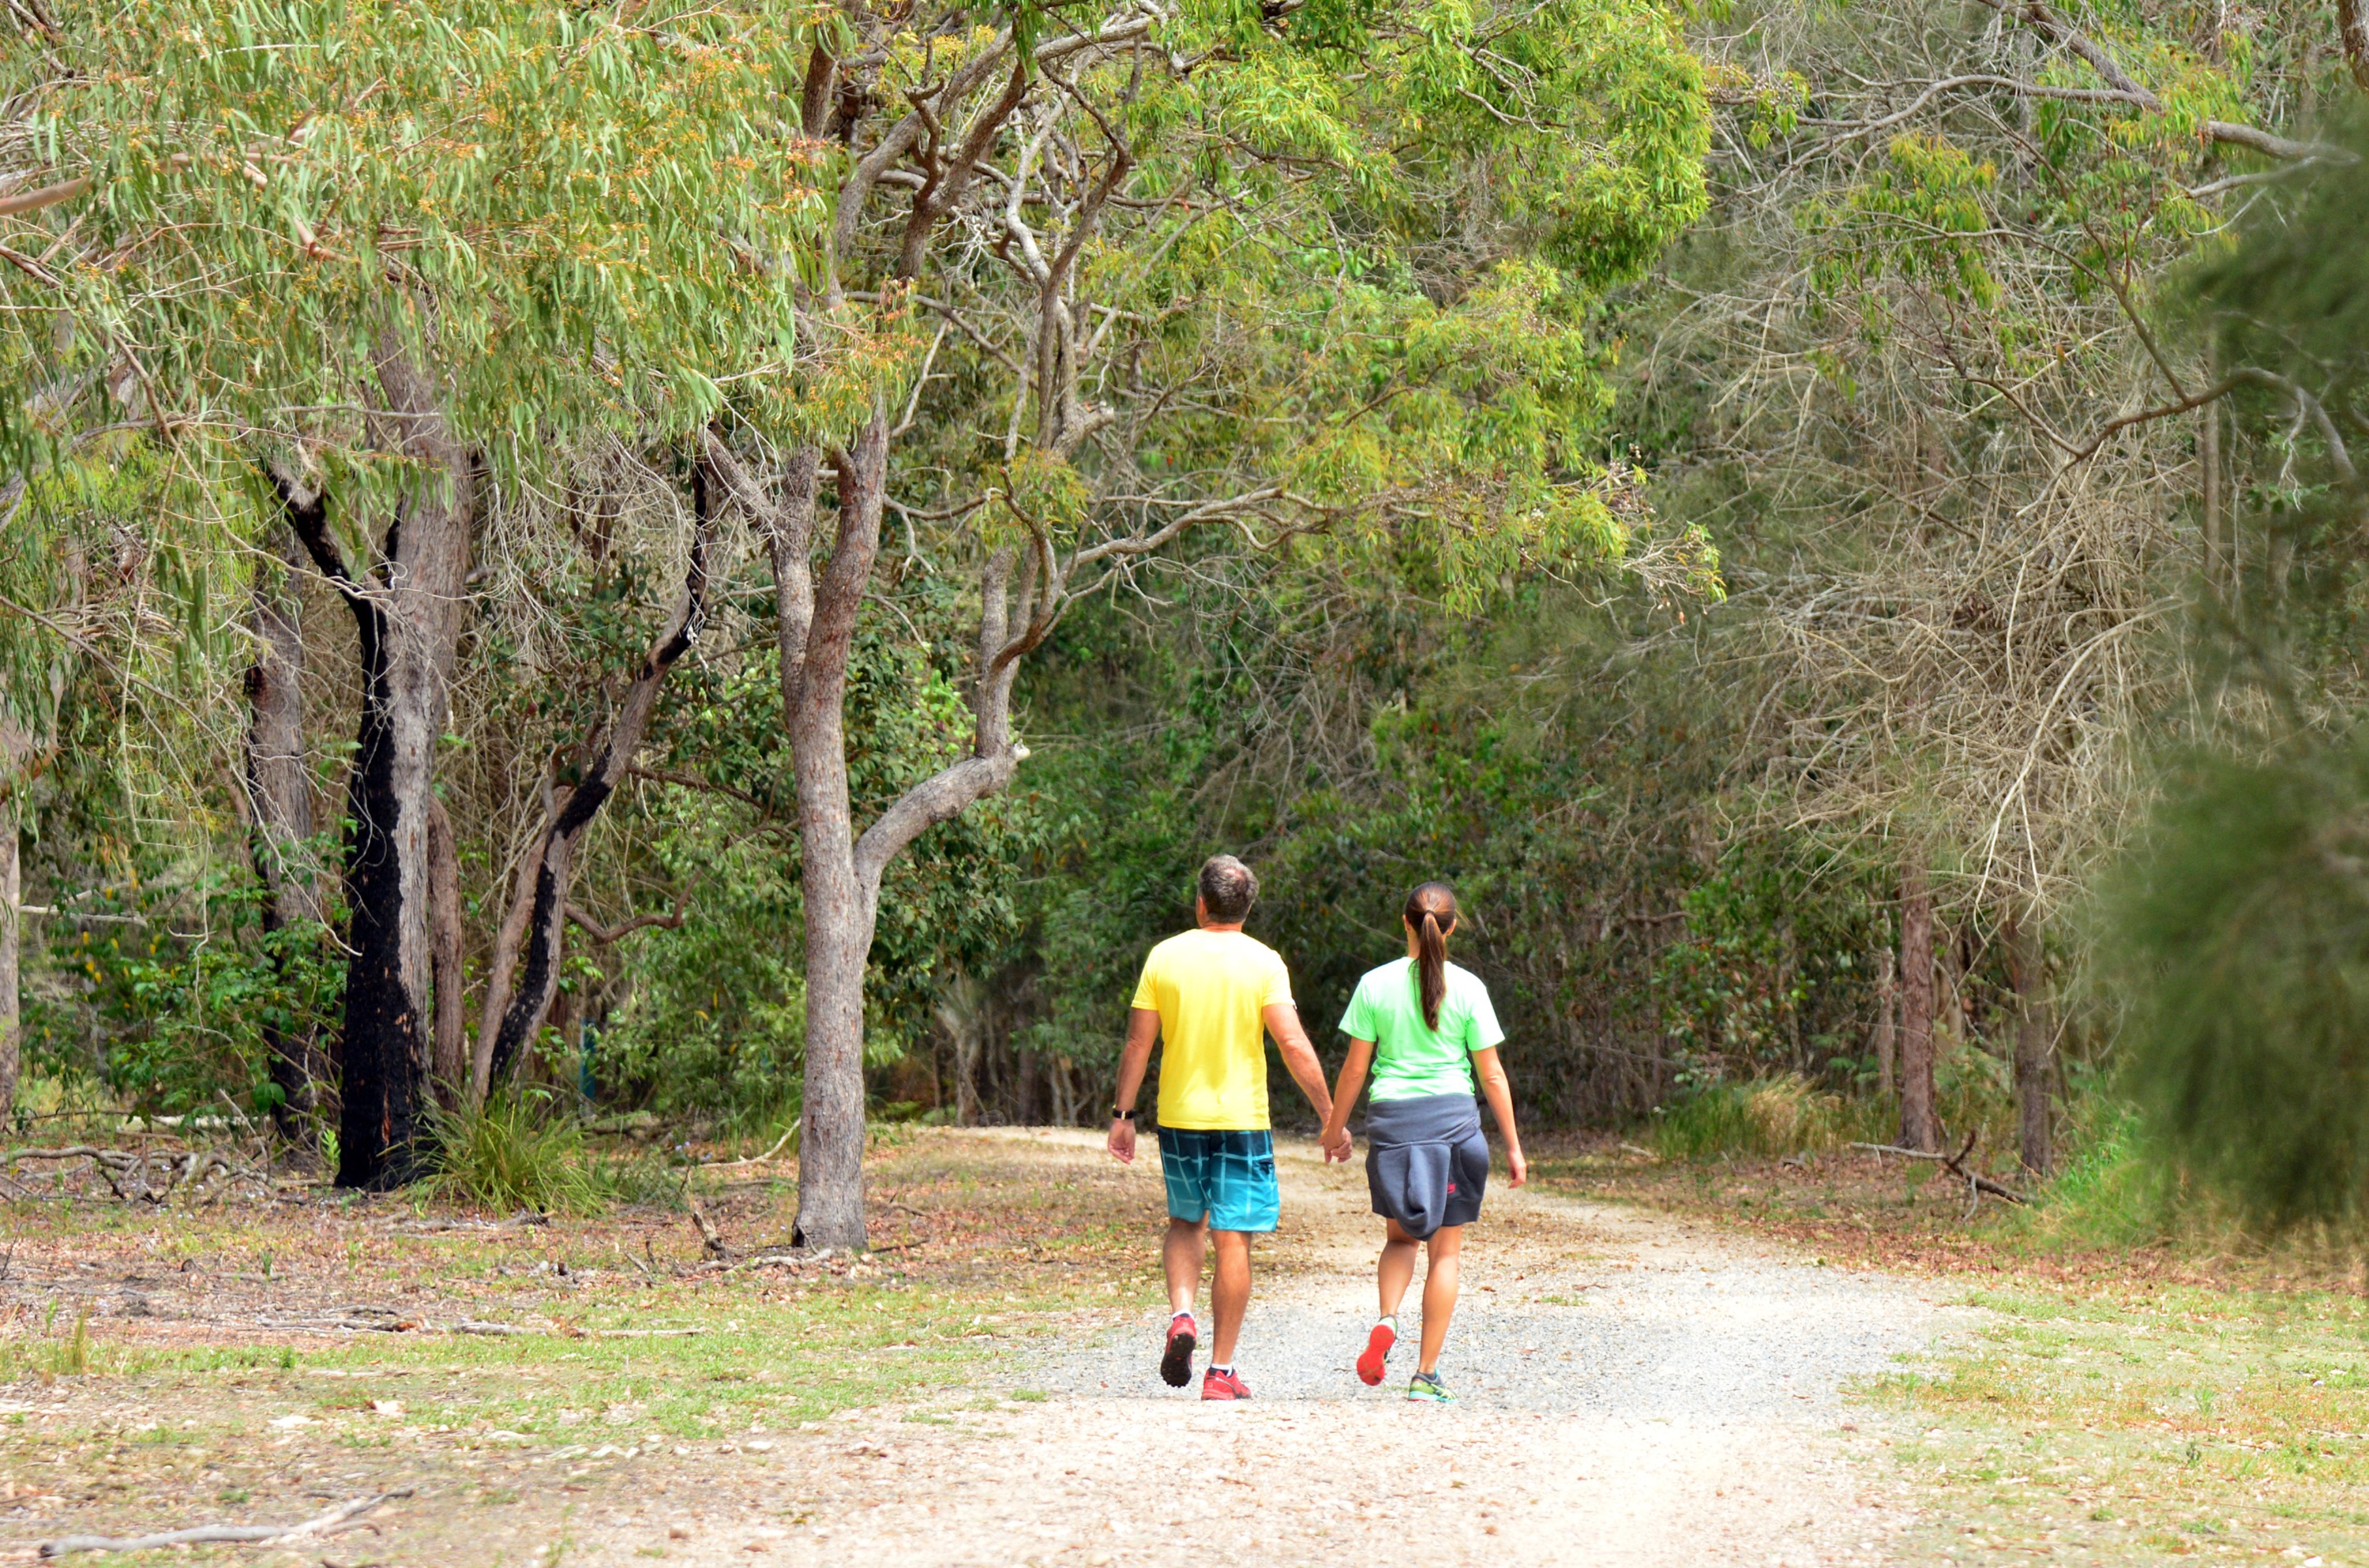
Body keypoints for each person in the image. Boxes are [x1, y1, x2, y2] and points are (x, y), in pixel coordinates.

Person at [1107, 854, 1347, 1401]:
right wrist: (1330, 1117)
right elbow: (1291, 1043)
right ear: (1248, 906)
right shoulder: (1264, 962)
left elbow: (1138, 1044)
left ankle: (1183, 1315)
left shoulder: (1164, 957)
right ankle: (1219, 1371)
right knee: (1231, 1237)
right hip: (1242, 1120)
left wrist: (1123, 1116)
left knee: (1185, 1224)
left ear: (1200, 902)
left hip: (1179, 1118)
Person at [1316, 881, 1525, 1402]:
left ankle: (1387, 1320)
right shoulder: (1471, 988)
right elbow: (1492, 1076)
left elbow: (1355, 1069)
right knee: (1445, 1253)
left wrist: (1334, 1127)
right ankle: (1425, 1376)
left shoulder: (1374, 985)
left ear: (1404, 923)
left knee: (1399, 1239)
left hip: (1392, 1126)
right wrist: (1514, 1146)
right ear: (1451, 928)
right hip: (1453, 1126)